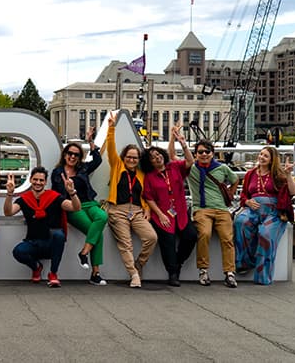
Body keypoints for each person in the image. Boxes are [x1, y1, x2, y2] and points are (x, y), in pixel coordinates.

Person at [104, 112, 157, 288]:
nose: (132, 160)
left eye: (135, 157)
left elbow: (145, 196)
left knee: (151, 237)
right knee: (125, 244)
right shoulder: (117, 166)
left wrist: (147, 209)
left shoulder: (141, 174)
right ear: (124, 157)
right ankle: (134, 275)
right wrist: (111, 128)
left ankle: (139, 264)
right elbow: (111, 148)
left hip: (136, 211)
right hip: (117, 210)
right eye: (129, 157)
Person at [50, 126, 108, 285]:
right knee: (97, 233)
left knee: (103, 216)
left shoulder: (82, 168)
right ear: (64, 155)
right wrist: (69, 193)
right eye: (70, 153)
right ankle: (95, 273)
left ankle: (84, 252)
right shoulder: (58, 173)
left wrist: (90, 141)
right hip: (73, 206)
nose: (73, 157)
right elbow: (57, 195)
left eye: (76, 154)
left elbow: (97, 160)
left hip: (90, 203)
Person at [5, 167, 81, 287]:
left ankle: (53, 274)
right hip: (33, 243)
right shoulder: (25, 199)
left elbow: (75, 207)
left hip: (51, 244)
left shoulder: (55, 197)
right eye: (35, 179)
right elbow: (8, 212)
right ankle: (36, 267)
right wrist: (9, 194)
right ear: (30, 180)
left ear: (45, 182)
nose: (38, 183)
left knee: (58, 235)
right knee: (18, 251)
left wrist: (72, 192)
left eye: (41, 180)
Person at [141, 125, 197, 287]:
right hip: (163, 214)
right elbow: (149, 198)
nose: (157, 157)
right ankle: (173, 273)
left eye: (158, 154)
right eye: (153, 157)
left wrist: (183, 144)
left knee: (191, 236)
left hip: (180, 211)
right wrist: (160, 214)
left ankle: (178, 262)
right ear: (149, 162)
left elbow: (190, 161)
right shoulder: (150, 177)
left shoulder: (174, 167)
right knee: (167, 241)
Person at [234, 146, 295, 285]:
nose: (261, 157)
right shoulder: (250, 174)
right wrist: (248, 201)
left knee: (266, 234)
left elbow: (292, 192)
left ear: (272, 160)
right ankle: (245, 262)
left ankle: (263, 275)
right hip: (253, 209)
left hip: (273, 211)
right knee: (241, 222)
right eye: (261, 154)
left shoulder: (278, 175)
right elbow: (244, 195)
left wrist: (288, 175)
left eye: (265, 156)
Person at [187, 139, 239, 288]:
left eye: (207, 152)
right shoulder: (191, 168)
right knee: (204, 234)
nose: (204, 154)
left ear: (212, 153)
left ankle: (229, 273)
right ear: (195, 154)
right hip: (201, 209)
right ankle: (203, 270)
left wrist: (230, 194)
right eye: (200, 152)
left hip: (221, 209)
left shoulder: (222, 168)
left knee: (227, 238)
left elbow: (235, 179)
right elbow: (172, 157)